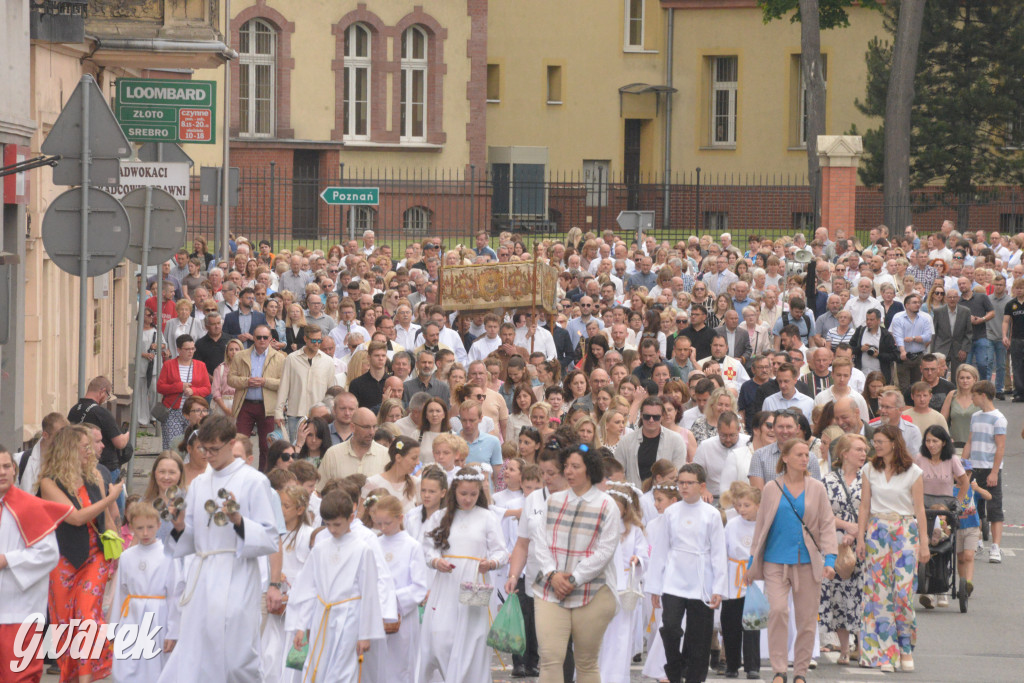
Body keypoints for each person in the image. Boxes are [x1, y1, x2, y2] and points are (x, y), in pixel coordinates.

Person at [160, 415, 279, 683]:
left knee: (238, 659)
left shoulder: (254, 481)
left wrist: (238, 522)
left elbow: (270, 538)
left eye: (214, 449)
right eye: (204, 449)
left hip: (237, 574)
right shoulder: (200, 483)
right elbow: (193, 540)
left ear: (231, 443)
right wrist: (179, 525)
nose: (208, 455)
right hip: (203, 575)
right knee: (198, 653)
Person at [746, 438, 838, 683]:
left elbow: (827, 524)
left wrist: (830, 559)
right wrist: (752, 561)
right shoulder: (771, 488)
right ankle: (778, 670)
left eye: (807, 455)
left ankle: (800, 672)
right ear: (785, 458)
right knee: (777, 611)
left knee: (807, 621)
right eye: (799, 454)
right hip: (775, 562)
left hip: (808, 562)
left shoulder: (816, 487)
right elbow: (761, 527)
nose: (804, 459)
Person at [39, 425, 124, 681]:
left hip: (95, 557)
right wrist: (110, 498)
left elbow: (106, 521)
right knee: (65, 626)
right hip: (63, 560)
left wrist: (115, 552)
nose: (91, 452)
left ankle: (86, 677)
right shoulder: (49, 482)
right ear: (68, 450)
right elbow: (75, 518)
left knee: (87, 617)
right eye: (85, 447)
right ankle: (73, 677)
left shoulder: (95, 477)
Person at [531, 445, 619, 683]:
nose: (568, 471)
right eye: (566, 466)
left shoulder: (606, 505)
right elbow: (541, 541)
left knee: (586, 662)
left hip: (593, 591)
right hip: (551, 588)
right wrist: (553, 575)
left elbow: (605, 551)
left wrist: (574, 578)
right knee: (550, 658)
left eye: (575, 466)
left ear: (589, 469)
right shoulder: (554, 501)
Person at [286, 490, 384, 683]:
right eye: (327, 524)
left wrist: (365, 634)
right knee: (317, 664)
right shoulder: (321, 548)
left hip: (349, 617)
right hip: (322, 616)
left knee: (342, 669)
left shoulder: (362, 549)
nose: (331, 530)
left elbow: (370, 593)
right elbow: (309, 588)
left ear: (351, 517)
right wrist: (301, 625)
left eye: (337, 524)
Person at [421, 467, 509, 682]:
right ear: (454, 492)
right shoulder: (441, 517)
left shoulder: (487, 517)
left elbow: (501, 551)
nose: (468, 499)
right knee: (441, 637)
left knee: (473, 639)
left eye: (473, 494)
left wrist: (491, 562)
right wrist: (436, 561)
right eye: (463, 494)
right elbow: (428, 547)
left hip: (475, 583)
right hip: (447, 583)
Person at [856, 424, 929, 673]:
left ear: (894, 443)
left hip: (904, 530)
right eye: (874, 441)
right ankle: (886, 652)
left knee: (903, 594)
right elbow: (864, 506)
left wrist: (924, 543)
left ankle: (905, 646)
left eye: (880, 441)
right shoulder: (869, 469)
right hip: (877, 531)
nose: (876, 446)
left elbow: (920, 510)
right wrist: (860, 538)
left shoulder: (913, 471)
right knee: (879, 594)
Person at [648, 463, 727, 683]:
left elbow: (719, 554)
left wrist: (719, 588)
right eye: (680, 482)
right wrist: (655, 586)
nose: (683, 487)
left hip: (702, 581)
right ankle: (675, 668)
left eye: (688, 483)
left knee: (699, 638)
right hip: (674, 579)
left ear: (701, 486)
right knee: (671, 627)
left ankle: (694, 678)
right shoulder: (671, 512)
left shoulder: (712, 515)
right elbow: (660, 551)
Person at [0, 446, 72, 683]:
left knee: (19, 677)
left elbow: (49, 554)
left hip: (20, 612)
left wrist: (8, 559)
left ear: (14, 470)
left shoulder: (29, 506)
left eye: (6, 466)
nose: (2, 472)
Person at [504, 448, 569, 681]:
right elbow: (522, 543)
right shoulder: (532, 499)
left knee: (561, 651)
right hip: (535, 581)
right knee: (546, 647)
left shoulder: (575, 497)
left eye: (551, 473)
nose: (547, 478)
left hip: (567, 584)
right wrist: (513, 576)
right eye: (543, 473)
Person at [112, 501, 180, 683]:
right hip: (131, 615)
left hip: (158, 616)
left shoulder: (168, 554)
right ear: (132, 527)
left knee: (154, 665)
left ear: (159, 525)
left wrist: (173, 631)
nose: (145, 533)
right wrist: (113, 627)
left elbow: (174, 594)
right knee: (127, 662)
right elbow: (120, 593)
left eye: (150, 527)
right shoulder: (127, 556)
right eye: (140, 528)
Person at [820, 434, 869, 665]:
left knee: (861, 594)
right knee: (837, 595)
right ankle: (843, 649)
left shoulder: (869, 479)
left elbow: (873, 509)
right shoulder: (827, 480)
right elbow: (820, 513)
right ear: (844, 453)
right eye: (858, 449)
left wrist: (856, 532)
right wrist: (845, 527)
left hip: (863, 544)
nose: (863, 454)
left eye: (865, 450)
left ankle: (862, 646)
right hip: (835, 543)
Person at [371, 494, 430, 683]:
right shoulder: (374, 544)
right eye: (378, 523)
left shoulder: (412, 546)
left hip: (402, 615)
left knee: (401, 665)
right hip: (377, 613)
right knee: (378, 663)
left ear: (400, 518)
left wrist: (393, 601)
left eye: (387, 523)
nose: (382, 528)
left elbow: (420, 586)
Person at [960, 380, 1007, 563]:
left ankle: (995, 546)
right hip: (974, 467)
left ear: (983, 395)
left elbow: (1000, 447)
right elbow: (969, 442)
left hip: (990, 468)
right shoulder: (975, 416)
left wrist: (994, 472)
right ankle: (977, 540)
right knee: (975, 507)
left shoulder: (998, 418)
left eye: (974, 395)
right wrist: (964, 466)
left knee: (994, 507)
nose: (972, 398)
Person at [228, 324, 285, 470]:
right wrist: (246, 381)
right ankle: (238, 474)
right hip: (245, 405)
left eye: (265, 337)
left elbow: (284, 383)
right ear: (253, 338)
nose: (261, 340)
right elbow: (230, 379)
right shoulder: (240, 356)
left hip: (268, 407)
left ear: (271, 339)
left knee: (267, 446)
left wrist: (265, 382)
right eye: (258, 337)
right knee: (239, 443)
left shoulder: (280, 358)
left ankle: (264, 478)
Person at [719, 482, 761, 680]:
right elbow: (724, 550)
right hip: (733, 577)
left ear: (758, 506)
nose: (741, 509)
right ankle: (732, 664)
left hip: (754, 579)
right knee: (731, 624)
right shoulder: (732, 524)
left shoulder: (762, 525)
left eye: (747, 505)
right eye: (739, 505)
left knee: (752, 625)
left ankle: (752, 665)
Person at [275, 325, 337, 440]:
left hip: (320, 415)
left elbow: (330, 391)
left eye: (319, 340)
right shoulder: (291, 359)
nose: (317, 344)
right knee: (296, 448)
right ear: (305, 339)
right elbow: (283, 387)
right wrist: (278, 412)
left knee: (319, 447)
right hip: (296, 413)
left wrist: (331, 414)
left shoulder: (328, 361)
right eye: (313, 340)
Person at [613, 397, 688, 487]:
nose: (651, 420)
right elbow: (617, 474)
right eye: (647, 416)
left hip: (665, 495)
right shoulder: (626, 441)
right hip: (634, 496)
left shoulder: (676, 440)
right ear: (640, 415)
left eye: (656, 417)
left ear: (662, 416)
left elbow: (678, 475)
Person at [68, 375, 130, 482]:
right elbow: (119, 443)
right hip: (106, 466)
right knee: (113, 497)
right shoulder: (101, 413)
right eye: (107, 395)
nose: (106, 399)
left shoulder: (74, 410)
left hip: (80, 464)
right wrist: (128, 434)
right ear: (102, 392)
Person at [157, 336, 212, 450]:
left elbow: (207, 388)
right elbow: (160, 387)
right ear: (178, 349)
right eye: (187, 349)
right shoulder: (169, 365)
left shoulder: (200, 365)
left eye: (193, 348)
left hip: (194, 412)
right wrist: (179, 387)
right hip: (173, 411)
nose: (191, 352)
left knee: (193, 444)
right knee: (173, 445)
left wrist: (194, 391)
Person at [317, 408, 390, 487]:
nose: (372, 432)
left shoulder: (386, 455)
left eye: (374, 427)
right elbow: (319, 490)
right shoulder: (333, 454)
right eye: (366, 427)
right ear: (352, 427)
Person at [850, 308, 899, 385]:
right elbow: (850, 349)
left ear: (879, 320)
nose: (868, 322)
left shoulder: (885, 335)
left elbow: (895, 355)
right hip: (862, 373)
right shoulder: (860, 331)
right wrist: (860, 349)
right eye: (867, 319)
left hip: (880, 374)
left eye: (872, 320)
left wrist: (879, 355)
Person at [1002, 277, 1024, 402]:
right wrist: (1004, 336)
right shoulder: (1011, 304)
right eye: (1017, 288)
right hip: (1016, 338)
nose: (1019, 290)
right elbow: (1006, 321)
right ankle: (1019, 392)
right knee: (1017, 366)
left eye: (1021, 288)